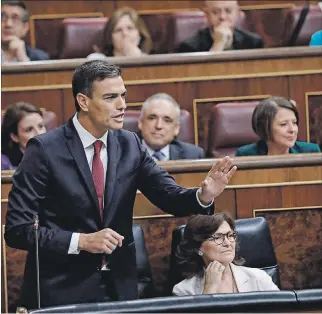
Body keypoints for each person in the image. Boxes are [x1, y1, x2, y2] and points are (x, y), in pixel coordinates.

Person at [5, 60, 237, 309]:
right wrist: (81, 241)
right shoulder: (44, 150)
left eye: (123, 95)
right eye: (110, 97)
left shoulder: (130, 145)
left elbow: (169, 195)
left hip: (120, 287)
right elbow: (18, 230)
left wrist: (203, 196)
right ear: (83, 101)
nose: (122, 105)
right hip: (61, 290)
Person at [173, 213, 279, 296]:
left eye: (230, 235)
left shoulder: (258, 278)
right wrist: (209, 289)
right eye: (217, 237)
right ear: (198, 247)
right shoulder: (184, 291)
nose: (228, 243)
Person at [235, 97, 321, 156]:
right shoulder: (246, 154)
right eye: (283, 124)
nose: (292, 130)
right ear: (265, 127)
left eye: (294, 123)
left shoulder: (310, 151)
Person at [177, 1, 263, 53]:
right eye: (215, 12)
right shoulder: (189, 46)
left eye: (228, 11)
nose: (222, 17)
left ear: (237, 13)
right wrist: (218, 44)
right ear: (207, 15)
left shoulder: (253, 42)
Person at [138, 93, 205, 161]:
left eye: (167, 120)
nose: (159, 126)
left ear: (176, 128)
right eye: (152, 118)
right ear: (141, 123)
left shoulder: (193, 155)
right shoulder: (127, 154)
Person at [1, 102, 46, 170]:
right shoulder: (4, 163)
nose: (39, 134)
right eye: (29, 130)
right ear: (14, 137)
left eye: (41, 126)